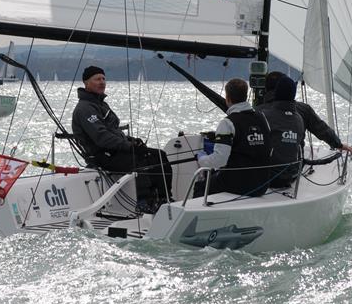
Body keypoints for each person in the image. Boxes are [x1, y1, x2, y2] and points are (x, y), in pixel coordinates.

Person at [71, 65, 173, 212]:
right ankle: (143, 201)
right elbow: (102, 138)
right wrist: (128, 146)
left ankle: (164, 198)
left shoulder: (100, 104)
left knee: (158, 155)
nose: (102, 82)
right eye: (97, 79)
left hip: (114, 151)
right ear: (86, 83)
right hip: (101, 155)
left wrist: (131, 141)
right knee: (137, 159)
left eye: (103, 79)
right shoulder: (85, 108)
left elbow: (114, 132)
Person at [196, 78, 272, 197]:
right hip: (262, 185)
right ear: (246, 96)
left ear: (228, 98)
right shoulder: (262, 118)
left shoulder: (228, 123)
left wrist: (201, 158)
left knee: (200, 186)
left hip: (238, 185)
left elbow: (219, 160)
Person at [255, 71, 352, 160]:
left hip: (264, 170)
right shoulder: (303, 110)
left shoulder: (256, 112)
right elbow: (322, 129)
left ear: (266, 89)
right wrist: (338, 144)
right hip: (293, 167)